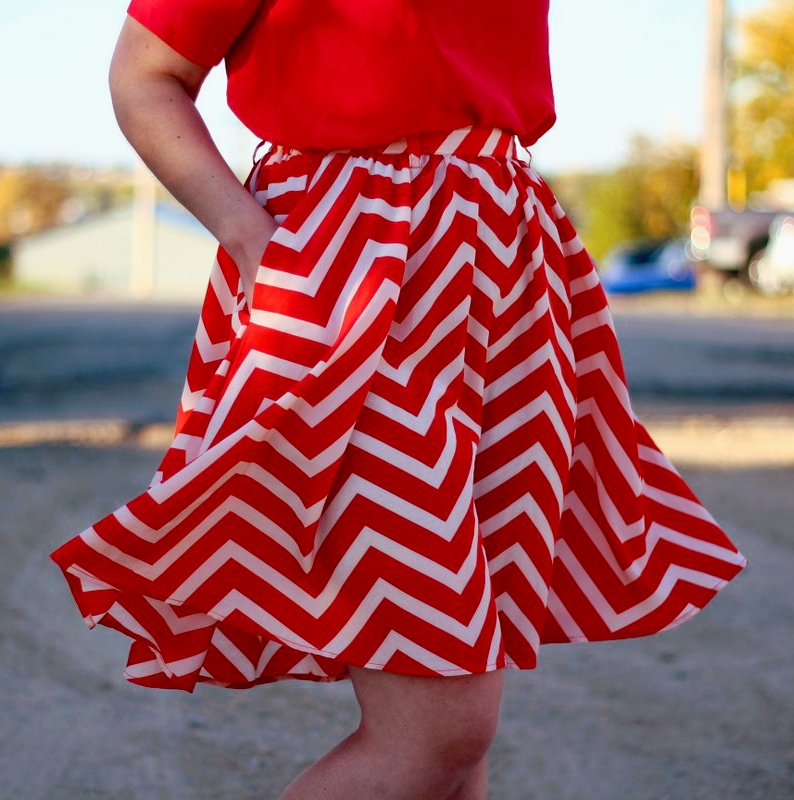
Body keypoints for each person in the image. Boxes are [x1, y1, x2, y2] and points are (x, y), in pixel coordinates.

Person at [50, 2, 749, 798]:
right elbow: (146, 73)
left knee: (457, 747)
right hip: (355, 275)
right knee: (439, 732)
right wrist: (252, 237)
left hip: (497, 271)